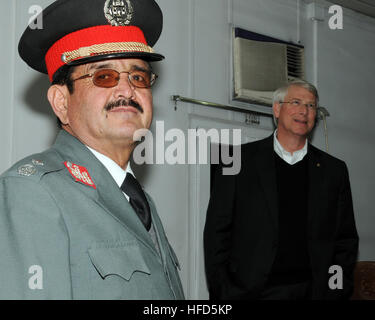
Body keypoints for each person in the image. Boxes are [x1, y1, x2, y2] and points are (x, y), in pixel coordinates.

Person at [0, 0, 184, 299]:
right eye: (104, 76)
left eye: (138, 77)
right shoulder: (33, 192)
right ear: (61, 102)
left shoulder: (136, 197)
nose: (128, 90)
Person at [204, 79, 359, 300]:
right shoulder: (235, 161)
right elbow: (216, 235)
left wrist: (337, 291)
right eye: (296, 102)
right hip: (250, 293)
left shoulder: (334, 171)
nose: (304, 111)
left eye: (311, 105)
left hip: (313, 292)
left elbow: (345, 241)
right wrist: (223, 292)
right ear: (277, 109)